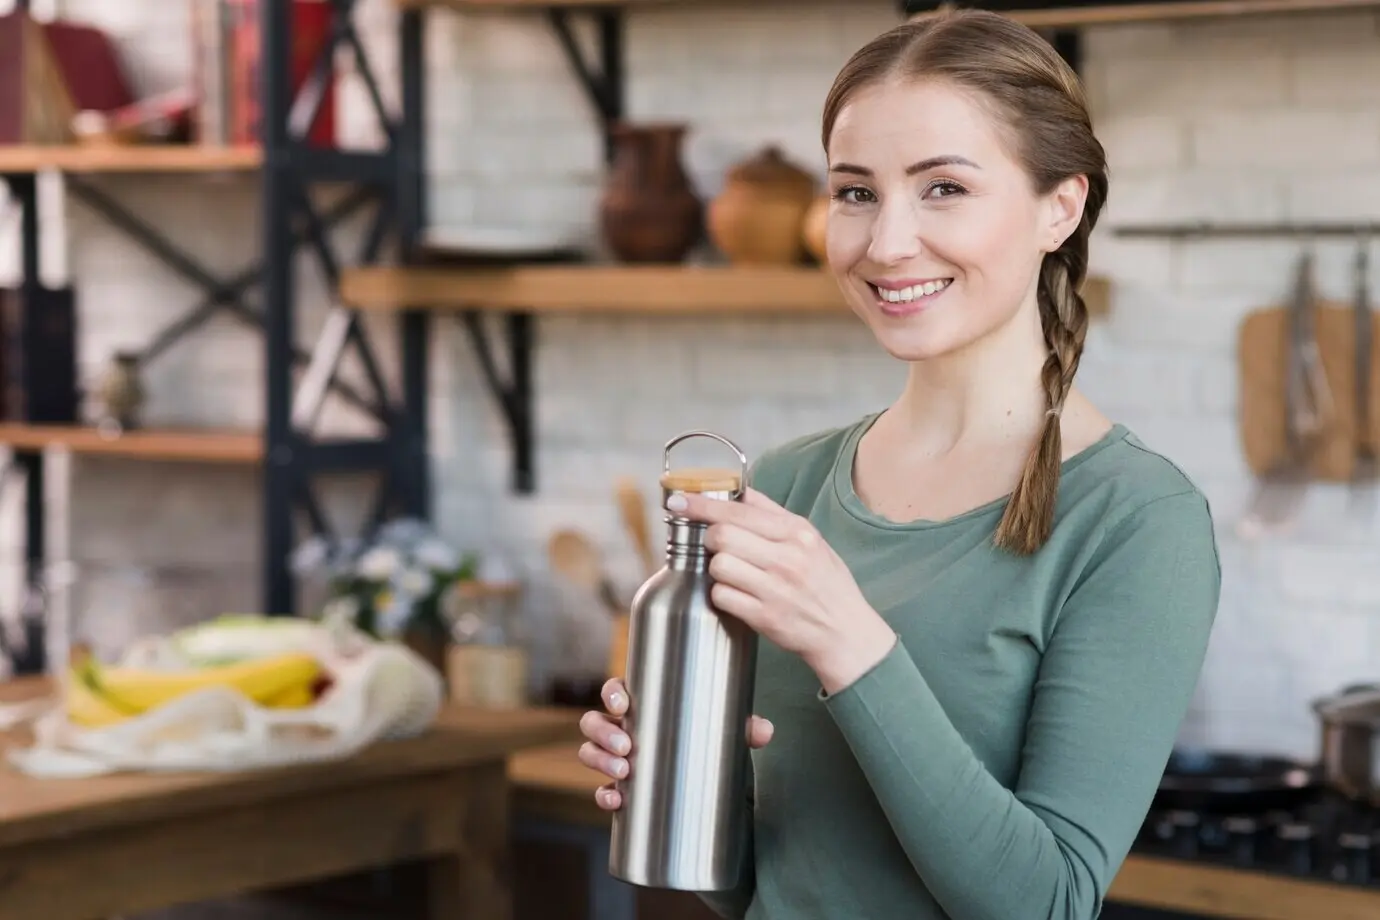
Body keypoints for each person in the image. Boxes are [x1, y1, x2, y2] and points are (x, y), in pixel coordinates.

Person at [578, 8, 1221, 920]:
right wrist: (676, 787)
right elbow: (773, 888)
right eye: (855, 192)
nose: (886, 244)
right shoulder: (791, 486)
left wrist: (850, 641)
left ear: (1060, 206)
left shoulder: (1136, 520)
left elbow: (1046, 904)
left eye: (944, 188)